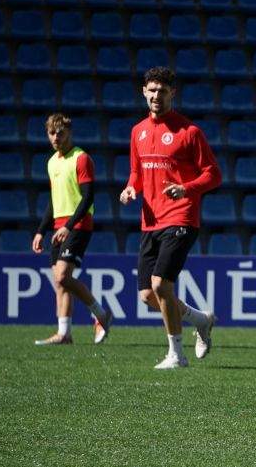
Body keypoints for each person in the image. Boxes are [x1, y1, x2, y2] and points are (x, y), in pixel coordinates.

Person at [119, 66, 222, 369]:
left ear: (172, 93)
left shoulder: (189, 132)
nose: (156, 96)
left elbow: (214, 174)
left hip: (181, 217)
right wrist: (130, 188)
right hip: (150, 220)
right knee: (147, 295)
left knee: (162, 285)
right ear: (144, 92)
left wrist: (186, 188)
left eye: (162, 91)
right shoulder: (137, 132)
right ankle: (200, 320)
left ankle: (176, 354)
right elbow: (136, 173)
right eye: (151, 90)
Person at [32, 113, 113, 345]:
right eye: (51, 133)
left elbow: (87, 198)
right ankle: (64, 333)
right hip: (59, 226)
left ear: (69, 133)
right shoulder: (52, 162)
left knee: (62, 276)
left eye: (60, 132)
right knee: (60, 282)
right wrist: (41, 230)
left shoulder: (81, 158)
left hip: (78, 224)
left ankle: (101, 315)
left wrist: (68, 226)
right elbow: (54, 201)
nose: (56, 137)